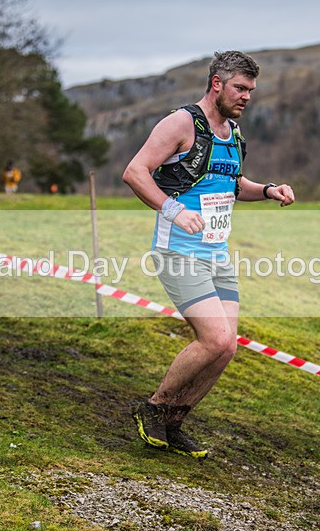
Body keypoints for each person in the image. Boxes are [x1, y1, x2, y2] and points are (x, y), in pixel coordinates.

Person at [122, 50, 295, 459]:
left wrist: (268, 190)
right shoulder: (181, 123)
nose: (246, 97)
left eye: (251, 90)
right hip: (178, 252)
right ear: (217, 83)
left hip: (217, 255)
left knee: (226, 347)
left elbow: (233, 185)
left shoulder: (233, 132)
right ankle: (153, 407)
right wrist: (173, 209)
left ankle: (173, 422)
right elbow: (134, 172)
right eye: (240, 88)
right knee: (214, 338)